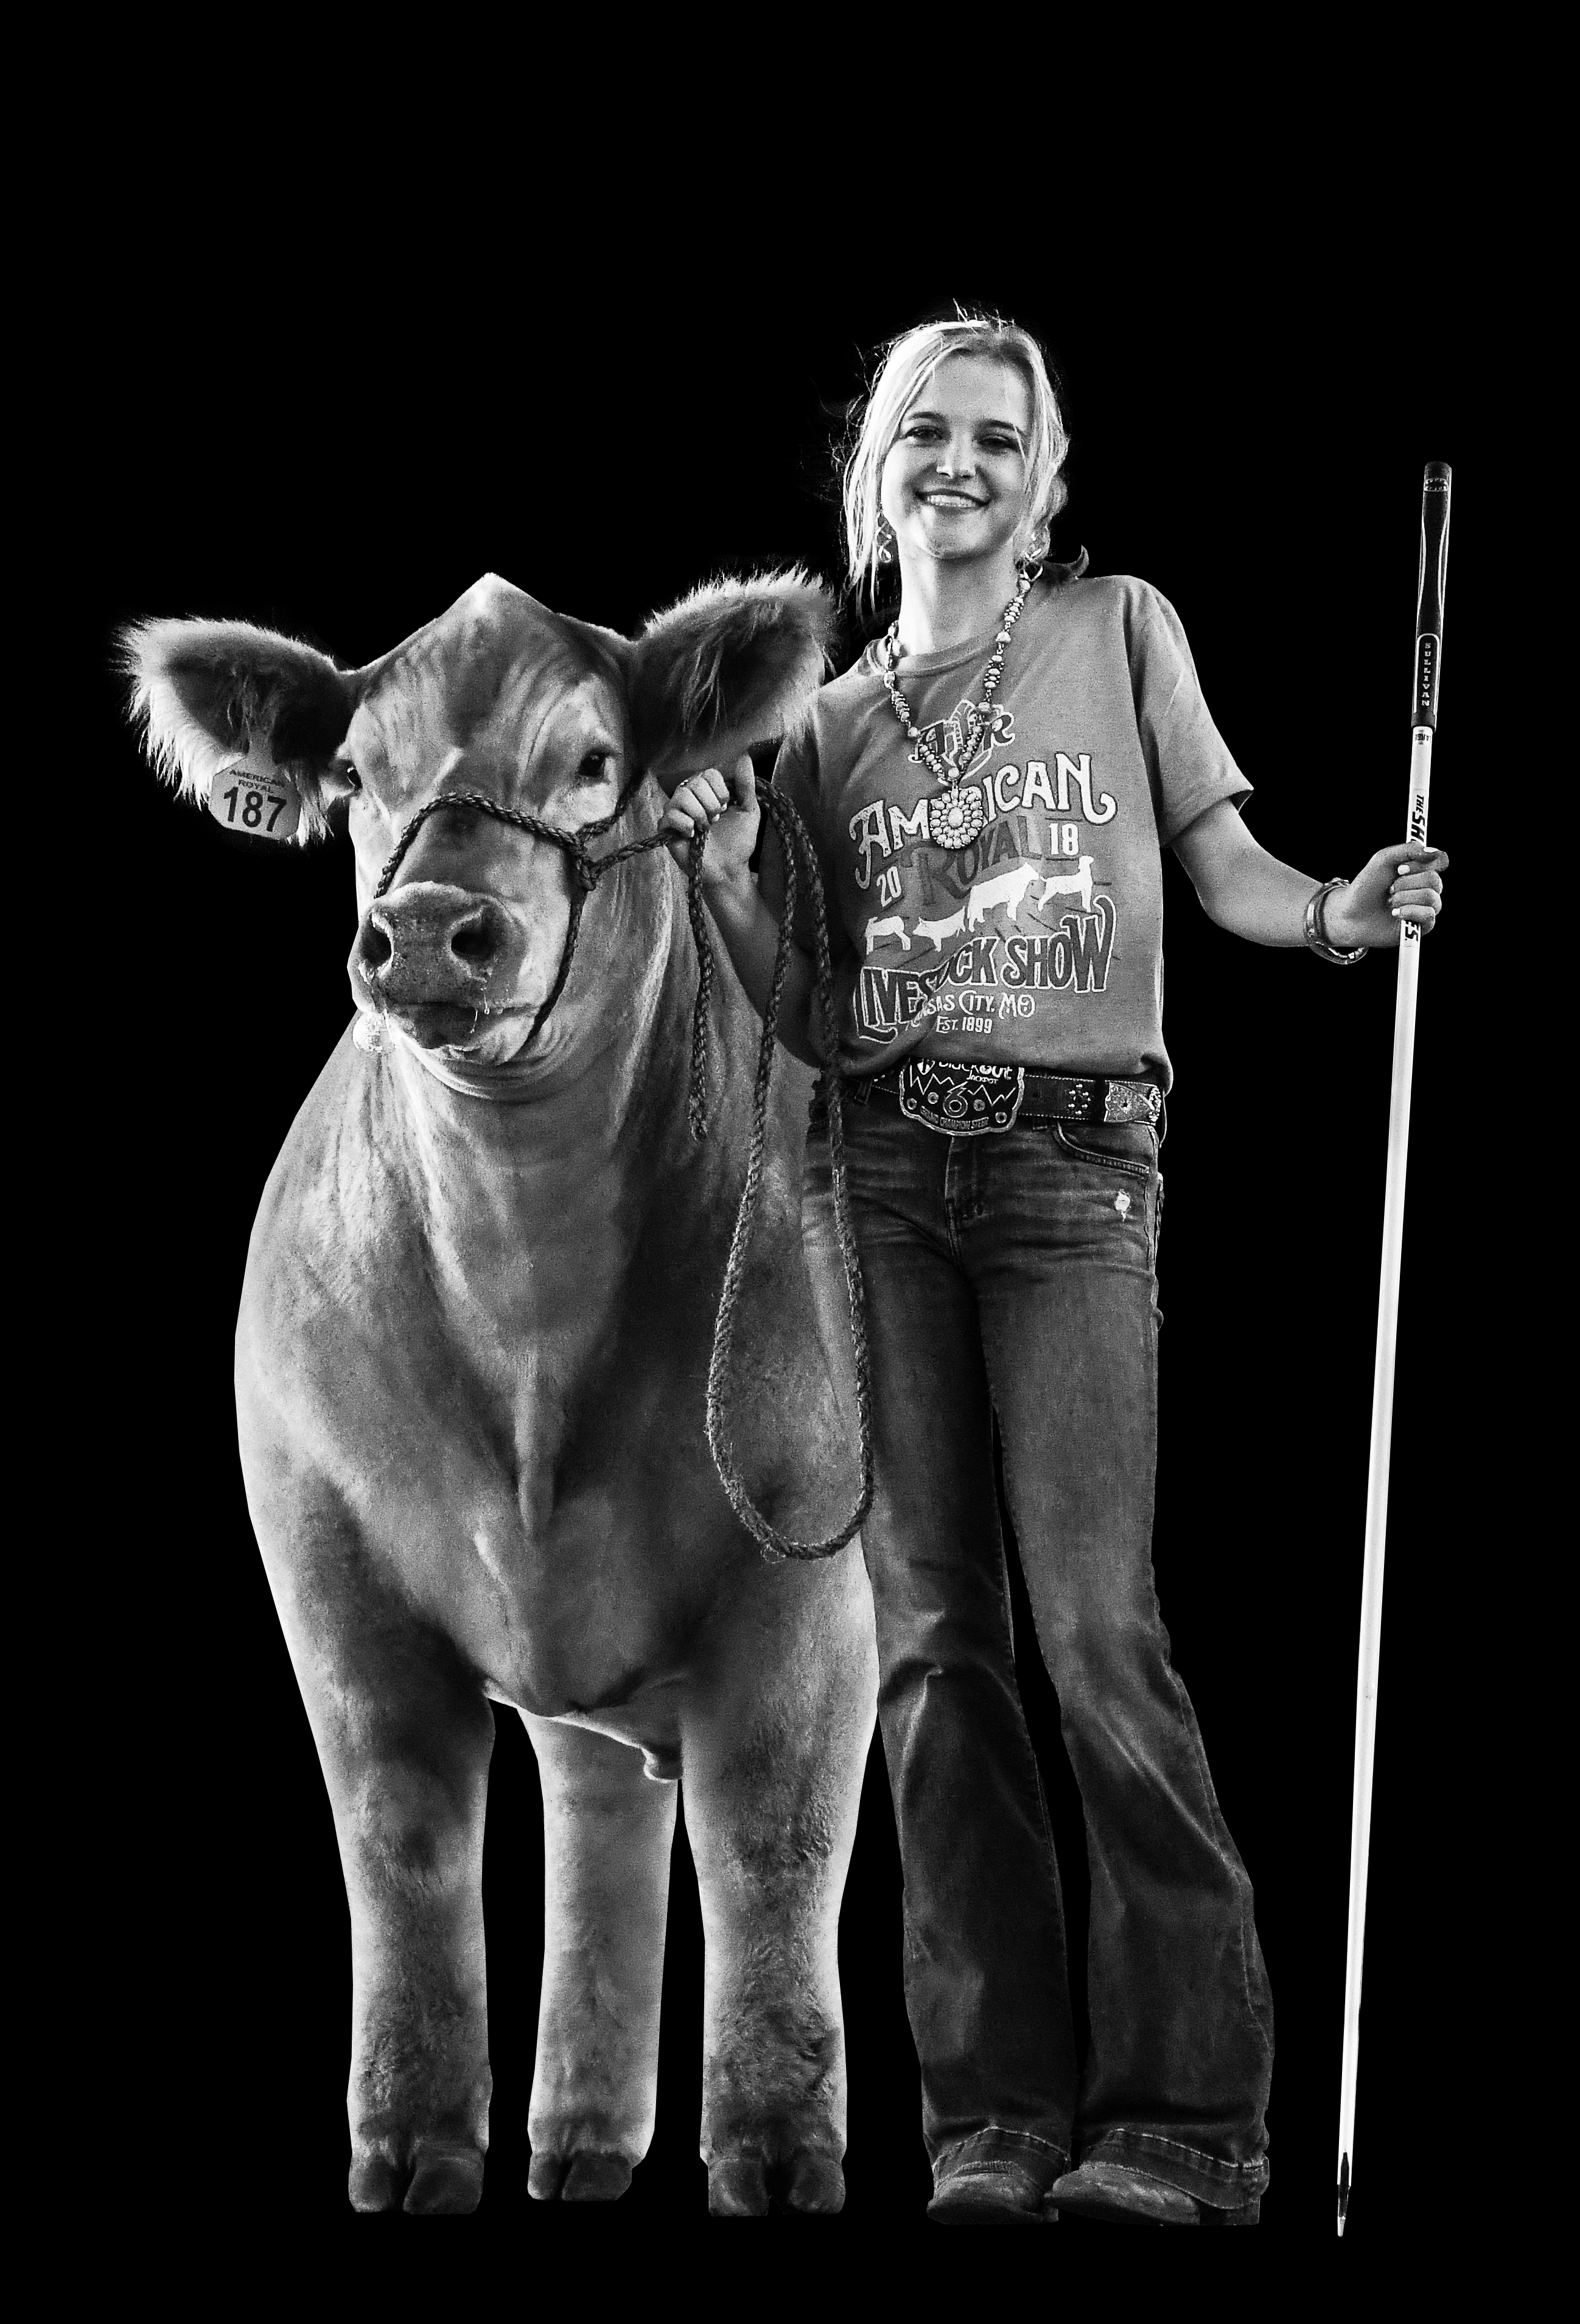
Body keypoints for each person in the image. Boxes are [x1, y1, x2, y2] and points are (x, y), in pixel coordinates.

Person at [658, 314, 1447, 2227]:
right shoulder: (825, 728)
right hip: (887, 1180)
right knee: (935, 1649)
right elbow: (808, 1013)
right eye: (926, 433)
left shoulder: (1120, 632)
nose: (960, 462)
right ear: (878, 472)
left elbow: (1222, 859)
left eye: (999, 437)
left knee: (1094, 1628)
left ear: (1046, 476)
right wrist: (713, 871)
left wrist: (1336, 912)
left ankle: (1186, 2119)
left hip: (1071, 1168)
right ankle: (994, 2120)